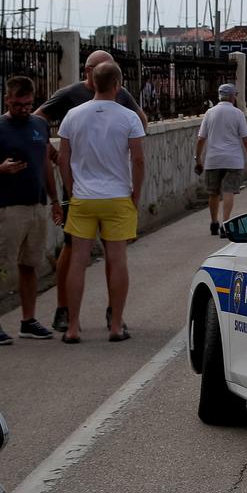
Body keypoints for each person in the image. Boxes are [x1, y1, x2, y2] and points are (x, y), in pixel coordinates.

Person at [37, 49, 148, 334]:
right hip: (117, 196)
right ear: (117, 83)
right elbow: (138, 159)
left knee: (77, 260)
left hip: (83, 197)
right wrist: (136, 193)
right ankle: (114, 325)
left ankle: (73, 326)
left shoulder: (73, 115)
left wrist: (72, 189)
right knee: (116, 258)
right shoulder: (124, 113)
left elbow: (63, 158)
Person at [0, 75, 61, 345]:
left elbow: (45, 163)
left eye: (28, 104)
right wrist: (0, 169)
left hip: (36, 206)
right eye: (18, 103)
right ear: (7, 99)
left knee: (30, 265)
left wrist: (55, 200)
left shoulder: (39, 125)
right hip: (7, 209)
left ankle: (28, 320)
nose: (23, 108)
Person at [196, 83, 247, 236]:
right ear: (231, 97)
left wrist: (198, 159)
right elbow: (246, 140)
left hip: (213, 159)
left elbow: (201, 139)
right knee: (228, 191)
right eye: (235, 95)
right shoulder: (238, 114)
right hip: (232, 160)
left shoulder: (209, 113)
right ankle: (226, 225)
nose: (235, 97)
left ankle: (214, 224)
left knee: (213, 193)